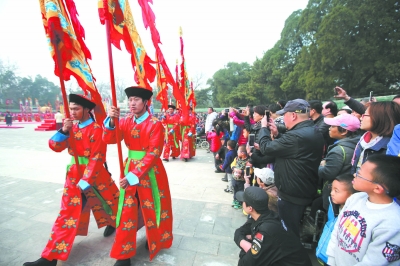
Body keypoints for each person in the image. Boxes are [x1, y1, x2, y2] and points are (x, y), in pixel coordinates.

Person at [23, 94, 119, 266]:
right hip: (74, 177)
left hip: (96, 177)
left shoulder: (97, 130)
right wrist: (64, 131)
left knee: (113, 204)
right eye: (71, 109)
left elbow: (97, 158)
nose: (72, 112)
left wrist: (85, 181)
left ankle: (116, 224)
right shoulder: (71, 128)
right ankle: (49, 258)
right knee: (67, 215)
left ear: (87, 110)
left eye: (76, 109)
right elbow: (55, 146)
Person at [103, 86, 173, 266]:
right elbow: (109, 139)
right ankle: (123, 255)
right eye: (130, 100)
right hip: (129, 170)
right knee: (126, 210)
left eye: (136, 99)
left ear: (146, 103)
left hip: (151, 173)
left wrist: (134, 174)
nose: (132, 103)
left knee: (154, 206)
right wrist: (112, 120)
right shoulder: (125, 121)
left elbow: (154, 152)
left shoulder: (155, 124)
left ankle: (154, 240)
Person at [258, 99, 325, 237]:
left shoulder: (296, 136)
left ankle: (291, 256)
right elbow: (295, 148)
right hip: (302, 188)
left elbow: (266, 148)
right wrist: (277, 135)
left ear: (293, 115)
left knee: (289, 232)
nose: (283, 119)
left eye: (285, 115)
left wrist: (263, 128)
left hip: (293, 194)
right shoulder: (311, 130)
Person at [326, 155, 400, 265]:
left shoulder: (392, 223)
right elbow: (337, 230)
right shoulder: (356, 198)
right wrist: (331, 260)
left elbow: (374, 262)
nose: (354, 175)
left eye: (359, 175)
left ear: (377, 188)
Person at [234, 186, 312, 266]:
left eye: (243, 201)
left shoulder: (266, 229)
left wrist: (244, 244)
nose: (242, 202)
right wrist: (244, 242)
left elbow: (247, 263)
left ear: (250, 208)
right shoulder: (266, 215)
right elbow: (240, 231)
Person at [318, 114, 361, 209]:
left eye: (333, 126)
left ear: (344, 131)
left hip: (337, 192)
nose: (329, 128)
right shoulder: (358, 144)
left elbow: (327, 173)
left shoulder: (338, 150)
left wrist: (320, 166)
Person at [316, 174, 357, 265]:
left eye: (336, 191)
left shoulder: (353, 218)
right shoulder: (332, 206)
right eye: (331, 189)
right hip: (322, 253)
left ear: (352, 196)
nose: (331, 193)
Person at [351, 101, 400, 174]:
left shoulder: (390, 147)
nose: (361, 118)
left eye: (365, 115)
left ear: (379, 118)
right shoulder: (363, 140)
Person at [231, 145, 252, 209]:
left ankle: (240, 202)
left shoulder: (248, 161)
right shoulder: (237, 158)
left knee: (241, 191)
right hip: (234, 178)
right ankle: (235, 200)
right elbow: (232, 164)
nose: (237, 152)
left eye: (238, 151)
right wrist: (234, 168)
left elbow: (250, 171)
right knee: (235, 190)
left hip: (242, 180)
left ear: (242, 153)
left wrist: (242, 172)